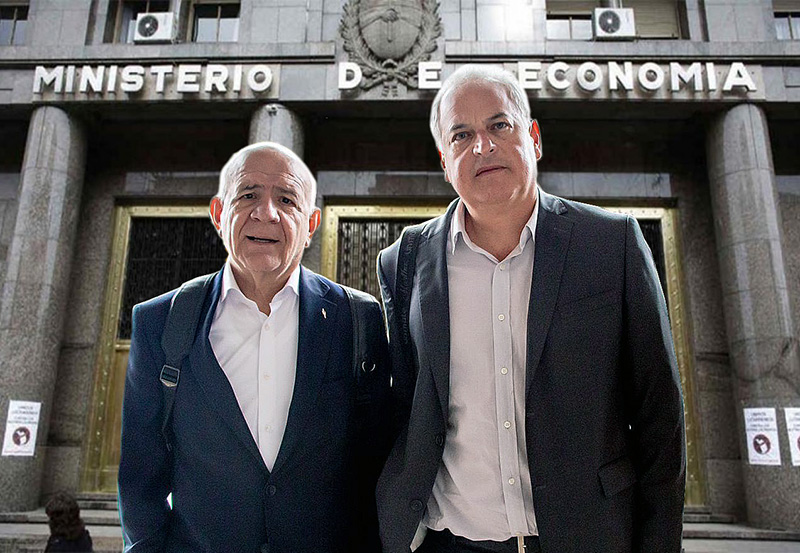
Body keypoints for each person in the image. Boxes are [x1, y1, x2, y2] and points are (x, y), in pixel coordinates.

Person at [376, 65, 686, 553]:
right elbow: (403, 407)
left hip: (587, 539)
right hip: (452, 541)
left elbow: (659, 414)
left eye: (499, 125)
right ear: (445, 161)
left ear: (534, 138)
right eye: (461, 135)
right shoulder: (404, 260)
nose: (482, 146)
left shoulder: (611, 244)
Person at [118, 142, 390, 553]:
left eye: (287, 200)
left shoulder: (356, 319)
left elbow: (376, 463)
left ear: (311, 223)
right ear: (218, 213)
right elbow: (141, 474)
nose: (267, 213)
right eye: (248, 195)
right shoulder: (161, 321)